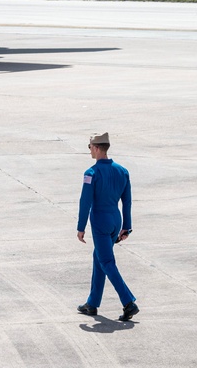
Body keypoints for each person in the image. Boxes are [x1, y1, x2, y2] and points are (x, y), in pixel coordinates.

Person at [76, 132, 139, 321]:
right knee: (99, 258)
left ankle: (129, 302)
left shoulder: (91, 173)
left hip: (101, 222)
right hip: (116, 220)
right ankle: (92, 303)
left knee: (107, 262)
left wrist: (80, 227)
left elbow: (85, 202)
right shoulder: (123, 171)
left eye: (89, 148)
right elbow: (127, 201)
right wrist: (126, 226)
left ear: (96, 148)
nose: (90, 151)